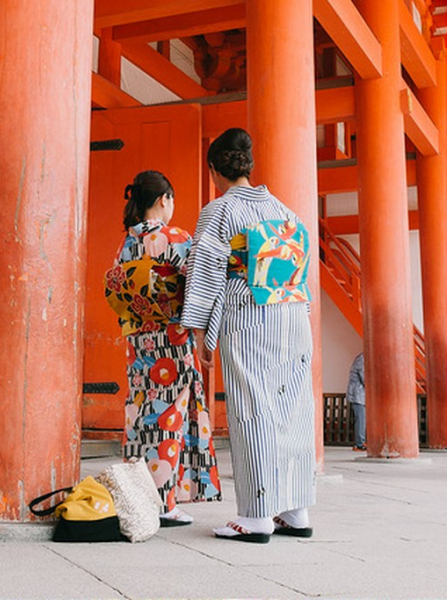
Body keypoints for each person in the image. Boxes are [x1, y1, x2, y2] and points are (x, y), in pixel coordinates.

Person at [181, 128, 315, 544]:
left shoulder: (220, 210)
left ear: (214, 169)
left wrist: (201, 330)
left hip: (251, 313)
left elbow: (205, 271)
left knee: (253, 407)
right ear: (249, 165)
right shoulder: (284, 210)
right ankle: (295, 509)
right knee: (293, 407)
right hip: (293, 315)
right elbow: (298, 268)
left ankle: (256, 515)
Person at [104, 170, 223, 528]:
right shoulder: (178, 239)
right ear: (163, 200)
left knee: (140, 416)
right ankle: (164, 502)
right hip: (172, 342)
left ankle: (138, 494)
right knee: (168, 418)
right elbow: (199, 290)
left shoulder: (126, 244)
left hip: (139, 342)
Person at [346, 353, 366, 451]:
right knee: (361, 420)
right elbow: (365, 379)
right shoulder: (362, 359)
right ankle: (359, 444)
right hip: (358, 394)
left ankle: (361, 441)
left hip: (362, 395)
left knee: (362, 419)